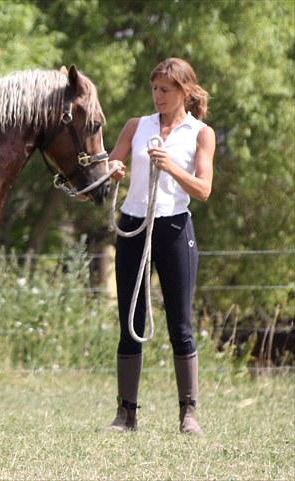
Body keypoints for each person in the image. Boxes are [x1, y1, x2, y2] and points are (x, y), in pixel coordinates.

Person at [106, 58, 216, 435]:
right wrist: (115, 170)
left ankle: (188, 414)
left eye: (165, 90)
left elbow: (203, 190)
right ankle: (126, 414)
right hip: (134, 225)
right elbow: (110, 162)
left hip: (173, 227)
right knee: (129, 321)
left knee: (180, 324)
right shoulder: (137, 126)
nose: (158, 96)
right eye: (154, 89)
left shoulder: (201, 133)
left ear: (184, 91)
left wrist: (171, 167)